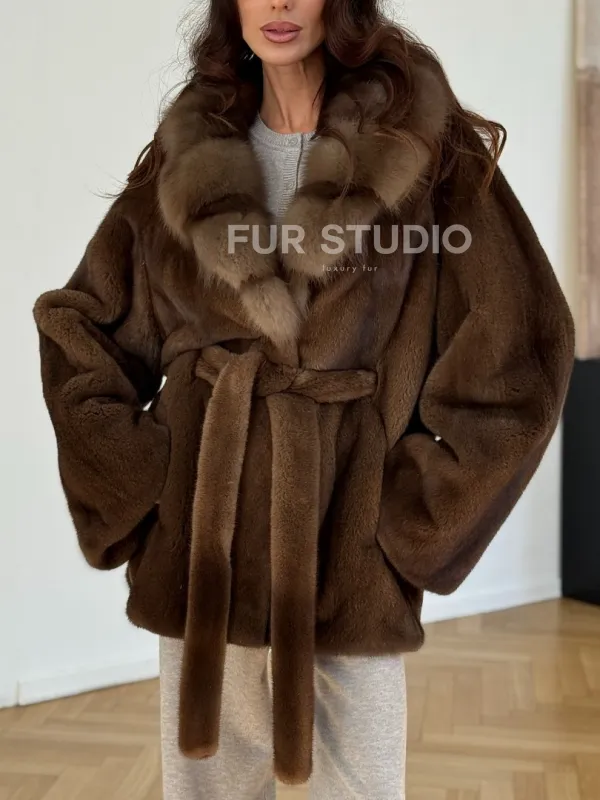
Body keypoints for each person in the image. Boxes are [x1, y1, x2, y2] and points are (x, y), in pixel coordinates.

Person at [32, 0, 576, 797]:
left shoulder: (422, 150)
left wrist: (410, 521)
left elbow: (519, 344)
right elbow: (80, 327)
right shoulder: (189, 158)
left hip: (346, 556)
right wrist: (145, 482)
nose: (280, 4)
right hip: (206, 554)